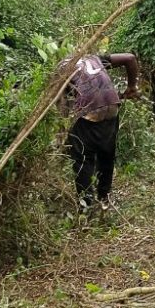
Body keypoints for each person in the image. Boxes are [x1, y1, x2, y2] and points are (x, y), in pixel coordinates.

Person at [62, 48, 140, 211]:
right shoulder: (93, 58)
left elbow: (62, 108)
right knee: (106, 152)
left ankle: (86, 206)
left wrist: (64, 128)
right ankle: (104, 197)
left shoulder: (62, 70)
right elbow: (130, 58)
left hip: (91, 110)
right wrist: (132, 87)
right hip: (112, 106)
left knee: (82, 157)